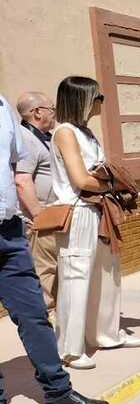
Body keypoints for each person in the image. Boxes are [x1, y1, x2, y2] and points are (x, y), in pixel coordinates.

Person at [0, 92, 111, 404]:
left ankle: (58, 392)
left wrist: (34, 217)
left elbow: (19, 169)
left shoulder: (3, 106)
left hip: (9, 231)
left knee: (34, 313)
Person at [50, 76, 140, 370]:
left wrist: (107, 182)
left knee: (107, 273)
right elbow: (81, 179)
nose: (101, 101)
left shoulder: (86, 133)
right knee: (76, 277)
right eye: (97, 97)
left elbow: (99, 174)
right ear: (81, 99)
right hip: (79, 210)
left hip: (99, 209)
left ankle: (106, 334)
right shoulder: (65, 132)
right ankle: (69, 348)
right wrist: (112, 183)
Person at [15, 92, 59, 312]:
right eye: (52, 108)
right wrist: (39, 215)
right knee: (45, 272)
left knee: (55, 271)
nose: (55, 114)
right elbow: (22, 181)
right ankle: (48, 321)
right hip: (40, 220)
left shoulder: (42, 137)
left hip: (52, 216)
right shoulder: (26, 139)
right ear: (37, 112)